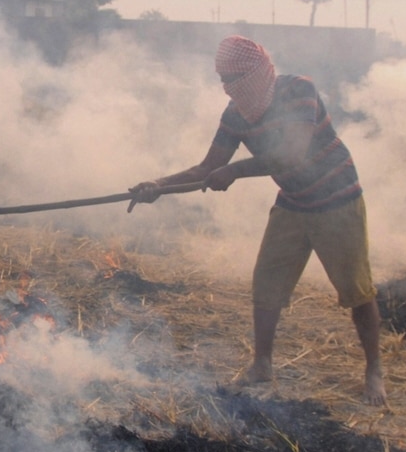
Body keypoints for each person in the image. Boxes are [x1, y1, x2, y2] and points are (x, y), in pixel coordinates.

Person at [128, 35, 385, 405]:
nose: (227, 86)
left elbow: (292, 155)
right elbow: (207, 167)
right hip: (293, 203)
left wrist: (235, 172)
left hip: (336, 200)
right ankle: (262, 365)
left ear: (257, 72)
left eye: (233, 77)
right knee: (267, 286)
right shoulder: (235, 114)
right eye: (222, 78)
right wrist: (157, 186)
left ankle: (374, 370)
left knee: (356, 290)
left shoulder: (299, 90)